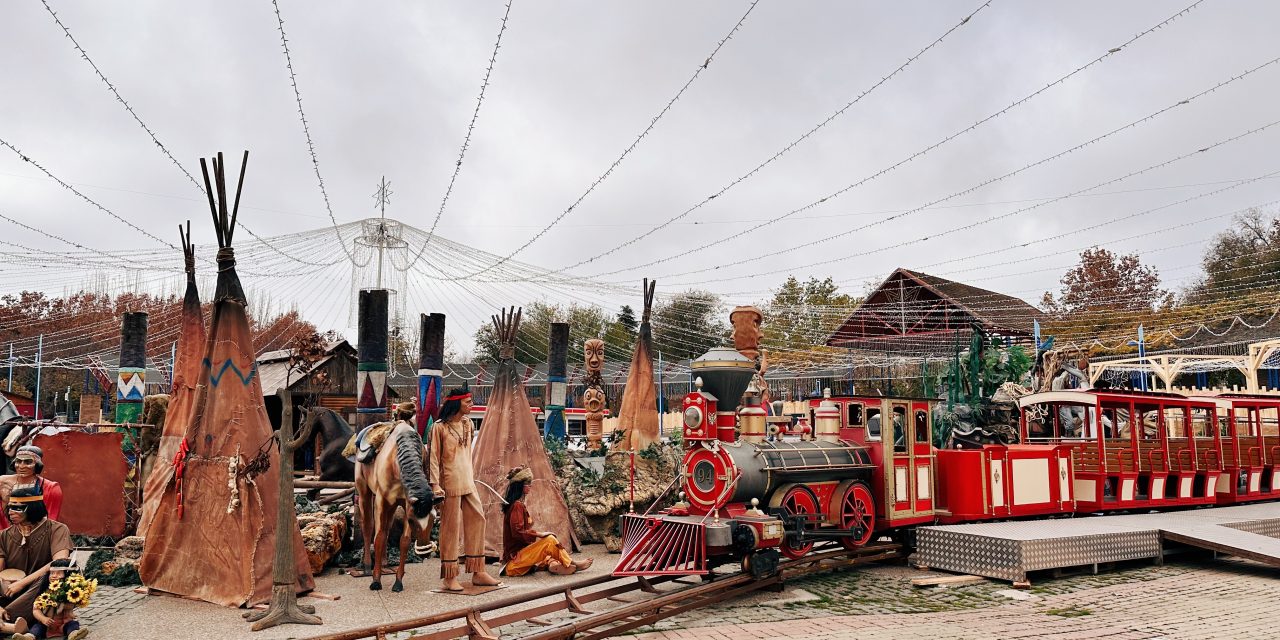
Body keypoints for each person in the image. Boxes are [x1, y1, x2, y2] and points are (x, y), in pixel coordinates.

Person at [428, 389, 500, 592]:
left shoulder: (468, 424)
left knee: (478, 519)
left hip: (468, 481)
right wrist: (435, 485)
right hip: (448, 484)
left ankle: (478, 572)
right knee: (450, 529)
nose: (471, 404)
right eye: (468, 402)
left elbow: (467, 454)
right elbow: (433, 458)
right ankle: (449, 577)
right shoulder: (439, 428)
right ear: (457, 403)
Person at [0, 488, 72, 634]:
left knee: (55, 574)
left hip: (41, 591)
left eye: (18, 508)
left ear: (33, 508)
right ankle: (11, 625)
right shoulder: (4, 535)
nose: (10, 512)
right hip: (9, 591)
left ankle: (10, 621)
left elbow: (59, 562)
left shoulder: (57, 529)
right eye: (10, 507)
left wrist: (22, 583)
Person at [499, 467, 591, 577]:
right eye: (528, 483)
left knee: (549, 553)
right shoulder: (517, 506)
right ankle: (571, 563)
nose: (530, 485)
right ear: (520, 486)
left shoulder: (517, 504)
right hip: (513, 563)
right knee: (549, 541)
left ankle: (553, 566)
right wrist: (540, 534)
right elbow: (518, 532)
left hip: (520, 560)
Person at [15, 558, 88, 640]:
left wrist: (61, 602)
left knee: (73, 624)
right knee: (37, 627)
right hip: (46, 625)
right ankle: (30, 637)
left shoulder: (70, 593)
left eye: (58, 573)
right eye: (52, 573)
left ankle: (73, 634)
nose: (54, 576)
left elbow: (71, 606)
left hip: (64, 624)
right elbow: (36, 610)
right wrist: (43, 619)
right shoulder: (45, 594)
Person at [0, 448, 63, 531]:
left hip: (35, 536)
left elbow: (50, 521)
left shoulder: (51, 488)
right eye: (18, 461)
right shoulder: (1, 483)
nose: (22, 466)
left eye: (28, 462)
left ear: (37, 464)